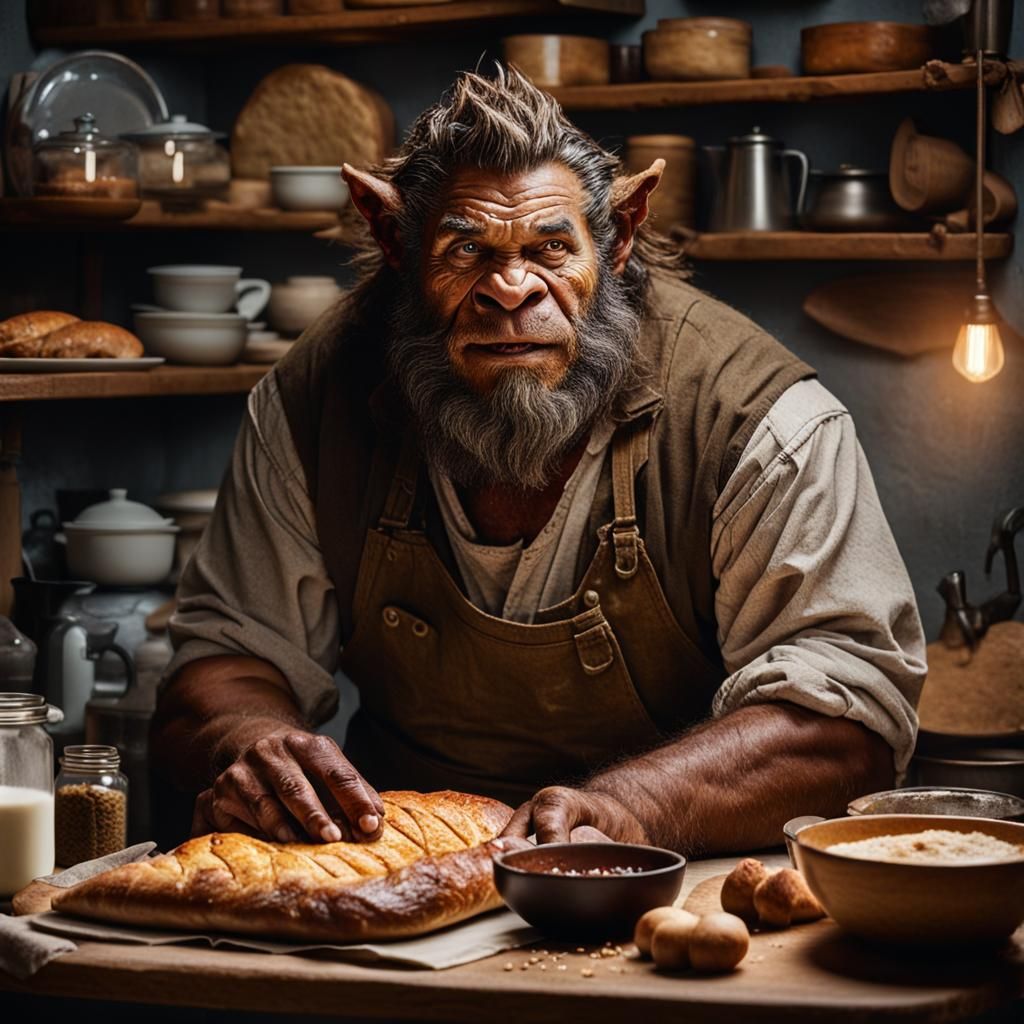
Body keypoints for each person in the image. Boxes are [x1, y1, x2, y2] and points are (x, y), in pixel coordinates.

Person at [151, 66, 926, 855]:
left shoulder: (755, 419)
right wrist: (249, 739)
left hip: (672, 879)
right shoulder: (315, 399)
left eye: (553, 248)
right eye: (466, 250)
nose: (512, 290)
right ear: (393, 240)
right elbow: (226, 659)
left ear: (619, 236)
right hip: (394, 860)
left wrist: (632, 807)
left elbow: (846, 729)